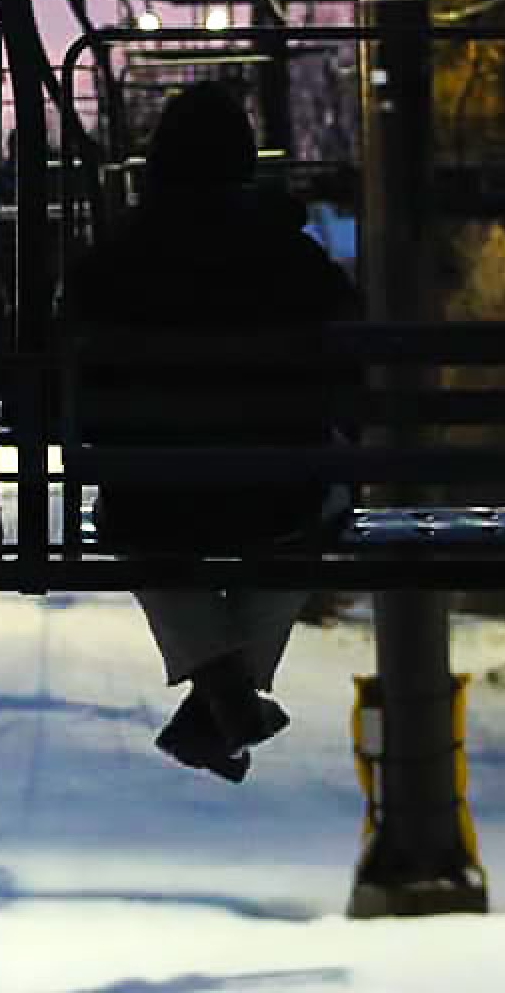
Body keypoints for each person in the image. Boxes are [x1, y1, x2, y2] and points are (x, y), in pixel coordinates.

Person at [63, 81, 357, 782]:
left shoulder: (114, 258)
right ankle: (225, 700)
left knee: (126, 517)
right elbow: (348, 344)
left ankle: (222, 696)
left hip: (154, 497)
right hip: (274, 494)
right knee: (320, 505)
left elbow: (68, 380)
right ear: (245, 161)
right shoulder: (291, 256)